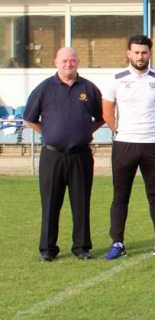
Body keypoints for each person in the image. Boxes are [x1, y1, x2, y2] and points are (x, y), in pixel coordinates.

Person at [25, 47, 104, 261]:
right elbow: (29, 119)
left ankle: (81, 247)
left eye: (72, 60)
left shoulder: (88, 88)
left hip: (81, 156)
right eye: (64, 61)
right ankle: (48, 249)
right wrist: (49, 132)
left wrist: (85, 131)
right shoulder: (44, 88)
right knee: (50, 203)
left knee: (81, 202)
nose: (69, 64)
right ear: (56, 62)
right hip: (53, 156)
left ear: (78, 62)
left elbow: (102, 117)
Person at [101, 35, 155, 260]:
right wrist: (121, 132)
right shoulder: (116, 79)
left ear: (150, 53)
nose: (140, 56)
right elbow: (107, 112)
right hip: (124, 144)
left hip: (152, 144)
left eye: (144, 52)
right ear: (128, 53)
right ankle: (117, 242)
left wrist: (151, 129)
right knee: (120, 195)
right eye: (136, 52)